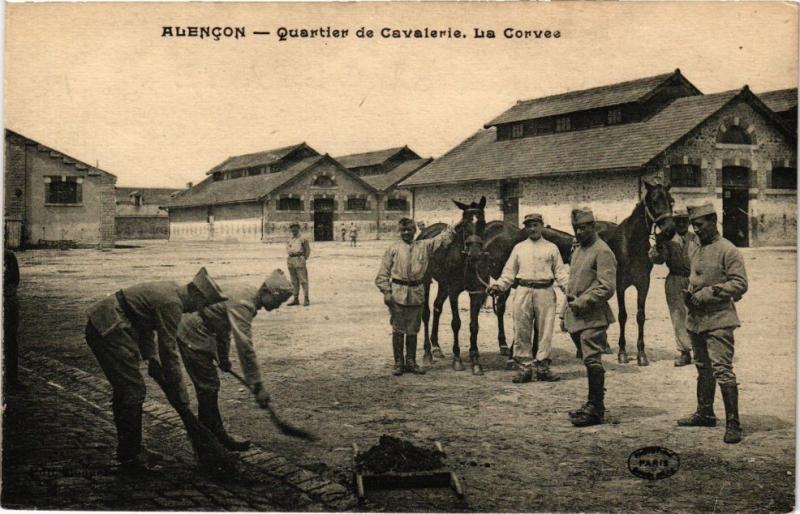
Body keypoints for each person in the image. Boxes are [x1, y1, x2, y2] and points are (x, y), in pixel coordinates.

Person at [85, 268, 227, 473]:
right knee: (133, 391)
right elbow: (169, 352)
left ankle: (129, 450)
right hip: (109, 328)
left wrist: (151, 357)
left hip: (113, 324)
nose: (196, 310)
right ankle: (131, 456)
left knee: (127, 391)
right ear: (195, 294)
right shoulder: (173, 304)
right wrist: (180, 395)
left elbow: (143, 321)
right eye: (201, 305)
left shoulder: (171, 290)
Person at [177, 270, 293, 451]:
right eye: (279, 300)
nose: (278, 306)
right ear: (265, 291)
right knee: (208, 386)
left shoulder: (248, 296)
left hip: (205, 331)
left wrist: (223, 357)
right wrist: (257, 385)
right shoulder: (244, 303)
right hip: (192, 332)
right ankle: (209, 438)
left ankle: (209, 435)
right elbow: (245, 346)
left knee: (208, 387)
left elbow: (224, 326)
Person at [678, 203, 748, 444]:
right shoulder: (695, 247)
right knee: (702, 367)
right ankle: (705, 413)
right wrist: (690, 292)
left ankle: (733, 424)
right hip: (696, 320)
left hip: (719, 319)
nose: (695, 230)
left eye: (700, 225)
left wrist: (709, 293)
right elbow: (694, 276)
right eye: (693, 225)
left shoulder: (728, 250)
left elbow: (740, 284)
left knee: (722, 370)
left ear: (714, 220)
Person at [488, 213, 569, 383]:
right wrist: (499, 286)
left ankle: (542, 368)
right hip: (523, 290)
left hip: (545, 291)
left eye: (535, 225)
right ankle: (525, 368)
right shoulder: (519, 248)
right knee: (522, 330)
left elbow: (561, 273)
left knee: (545, 331)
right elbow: (509, 272)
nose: (532, 229)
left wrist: (569, 290)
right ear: (525, 228)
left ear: (541, 226)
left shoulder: (552, 248)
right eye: (529, 226)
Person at [375, 218, 455, 375]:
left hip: (417, 294)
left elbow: (442, 238)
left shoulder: (424, 246)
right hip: (398, 294)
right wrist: (387, 292)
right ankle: (398, 363)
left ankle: (411, 361)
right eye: (403, 230)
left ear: (414, 231)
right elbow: (382, 275)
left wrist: (456, 224)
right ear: (400, 232)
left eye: (409, 230)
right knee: (398, 329)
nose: (406, 233)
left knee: (413, 330)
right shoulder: (393, 249)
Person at [561, 208, 617, 428]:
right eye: (576, 228)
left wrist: (583, 302)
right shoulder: (578, 250)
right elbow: (573, 282)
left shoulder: (602, 251)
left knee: (593, 360)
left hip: (593, 315)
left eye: (584, 227)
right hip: (576, 315)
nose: (580, 232)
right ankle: (592, 403)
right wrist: (566, 310)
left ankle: (596, 408)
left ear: (593, 226)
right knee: (587, 360)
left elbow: (607, 287)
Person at [648, 207, 700, 366]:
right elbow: (658, 260)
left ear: (689, 222)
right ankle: (684, 352)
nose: (682, 224)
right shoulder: (667, 240)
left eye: (685, 220)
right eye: (678, 221)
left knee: (697, 314)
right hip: (675, 280)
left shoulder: (697, 238)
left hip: (695, 280)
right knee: (678, 316)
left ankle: (699, 351)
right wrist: (658, 247)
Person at [4, 249, 20, 390]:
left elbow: (14, 281)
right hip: (8, 303)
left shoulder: (8, 256)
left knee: (10, 341)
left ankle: (12, 378)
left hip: (8, 305)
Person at [286, 222, 311, 306]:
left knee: (303, 280)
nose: (293, 229)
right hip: (291, 259)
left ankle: (306, 298)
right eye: (292, 228)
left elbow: (307, 250)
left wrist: (303, 259)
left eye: (295, 227)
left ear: (298, 228)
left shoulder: (303, 238)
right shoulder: (290, 238)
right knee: (294, 281)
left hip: (299, 259)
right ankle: (295, 299)